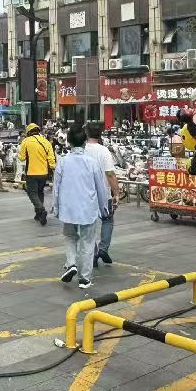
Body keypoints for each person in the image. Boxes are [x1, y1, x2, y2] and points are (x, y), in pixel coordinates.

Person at [52, 122, 108, 289]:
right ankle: (84, 278)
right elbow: (100, 188)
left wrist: (56, 207)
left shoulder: (63, 162)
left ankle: (71, 264)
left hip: (68, 208)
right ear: (84, 142)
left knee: (70, 237)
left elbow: (56, 187)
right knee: (87, 242)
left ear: (68, 142)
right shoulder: (91, 163)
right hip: (88, 209)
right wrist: (104, 207)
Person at [84, 122, 119, 266]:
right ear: (100, 134)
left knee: (88, 225)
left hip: (85, 193)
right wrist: (116, 193)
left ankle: (93, 254)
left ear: (86, 133)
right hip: (103, 193)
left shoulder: (81, 150)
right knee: (107, 220)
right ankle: (103, 249)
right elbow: (110, 173)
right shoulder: (104, 151)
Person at [18, 123, 57, 226]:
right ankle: (38, 214)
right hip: (44, 173)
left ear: (28, 132)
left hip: (31, 172)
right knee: (40, 192)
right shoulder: (45, 141)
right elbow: (51, 159)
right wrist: (53, 168)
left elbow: (21, 158)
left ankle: (41, 209)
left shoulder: (26, 141)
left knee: (32, 193)